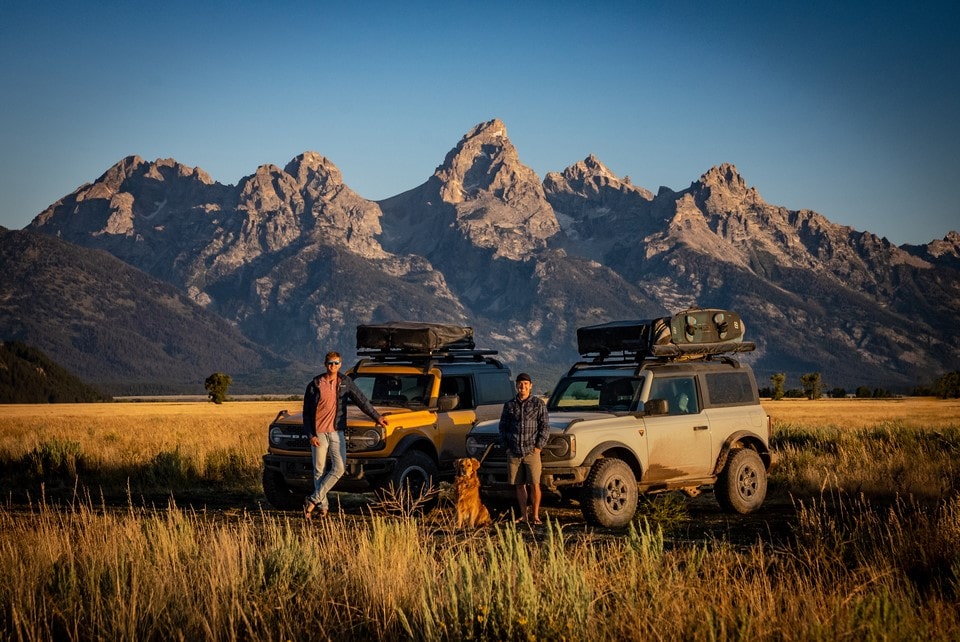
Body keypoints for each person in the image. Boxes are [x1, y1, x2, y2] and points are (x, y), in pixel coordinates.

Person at [302, 351, 388, 519]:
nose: (332, 366)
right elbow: (306, 413)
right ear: (325, 364)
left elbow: (361, 400)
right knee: (319, 470)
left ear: (340, 364)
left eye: (335, 363)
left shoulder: (345, 382)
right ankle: (323, 507)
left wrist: (377, 416)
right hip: (318, 433)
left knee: (339, 468)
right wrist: (310, 434)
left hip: (336, 432)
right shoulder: (315, 384)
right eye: (329, 363)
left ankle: (312, 500)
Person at [498, 372, 550, 524]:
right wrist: (506, 446)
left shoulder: (538, 404)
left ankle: (535, 516)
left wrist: (539, 447)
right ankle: (524, 515)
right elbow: (502, 427)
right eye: (520, 384)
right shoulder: (509, 405)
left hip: (531, 451)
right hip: (514, 452)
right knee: (519, 485)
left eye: (526, 384)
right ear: (516, 386)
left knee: (535, 484)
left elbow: (545, 426)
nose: (523, 386)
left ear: (531, 386)